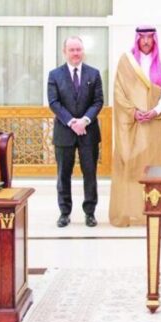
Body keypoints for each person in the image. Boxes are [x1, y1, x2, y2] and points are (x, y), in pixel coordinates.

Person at [109, 26, 161, 227]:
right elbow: (119, 92)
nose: (147, 41)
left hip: (158, 124)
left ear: (155, 39)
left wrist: (155, 111)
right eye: (143, 37)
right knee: (135, 168)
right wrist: (134, 112)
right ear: (137, 39)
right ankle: (134, 209)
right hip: (136, 125)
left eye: (150, 37)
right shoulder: (126, 61)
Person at [47, 36, 104, 228]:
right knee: (63, 175)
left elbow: (98, 101)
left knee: (90, 174)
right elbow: (54, 102)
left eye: (78, 49)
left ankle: (90, 213)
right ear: (64, 52)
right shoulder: (54, 75)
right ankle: (64, 213)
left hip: (89, 132)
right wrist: (72, 122)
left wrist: (85, 120)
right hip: (64, 132)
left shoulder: (94, 74)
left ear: (83, 51)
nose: (75, 53)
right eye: (71, 50)